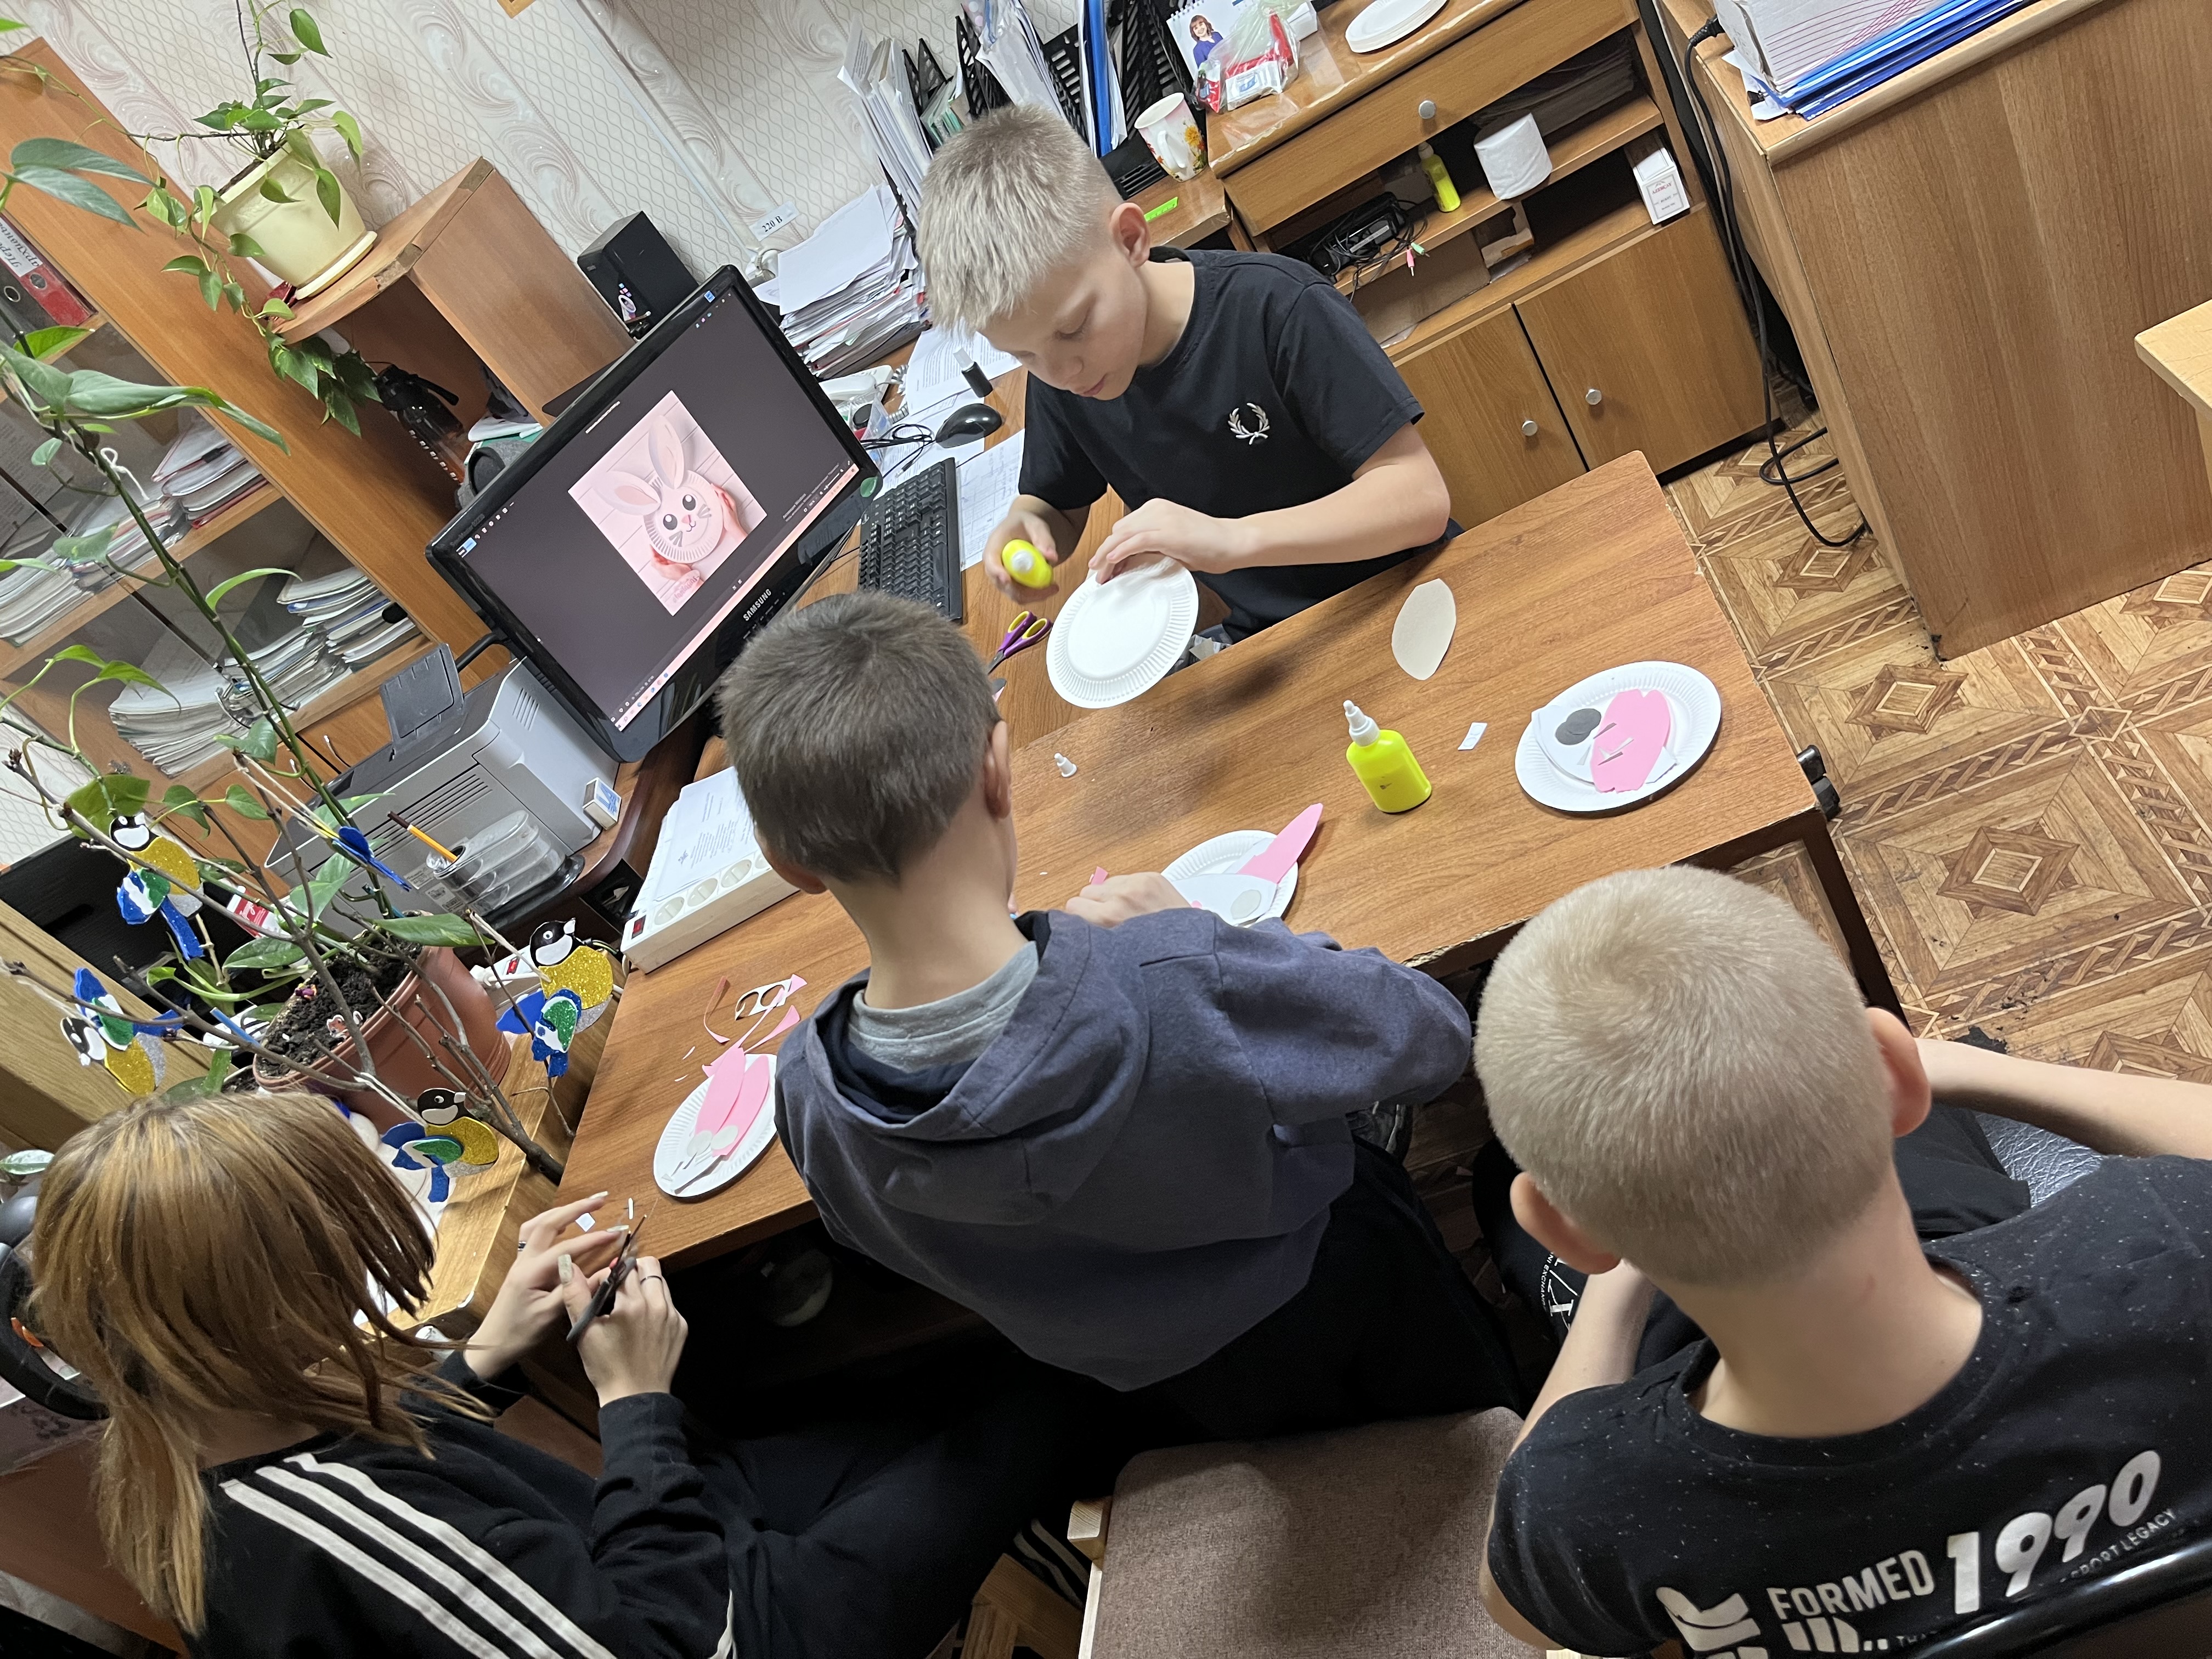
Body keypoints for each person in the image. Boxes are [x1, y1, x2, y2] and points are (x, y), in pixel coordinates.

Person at [719, 590, 1524, 1440]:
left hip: (1160, 1378)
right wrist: (1207, 936)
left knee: (1301, 1451)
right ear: (998, 768)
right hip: (1336, 1274)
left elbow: (870, 1240)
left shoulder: (804, 1092)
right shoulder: (1173, 976)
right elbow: (1431, 1036)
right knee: (1477, 1419)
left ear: (788, 863)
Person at [27, 1091, 1104, 1658]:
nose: (354, 1287)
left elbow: (381, 1471)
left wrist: (487, 1352)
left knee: (908, 1383)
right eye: (334, 1270)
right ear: (247, 1318)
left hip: (631, 1565)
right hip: (721, 1633)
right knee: (1047, 1386)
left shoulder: (187, 1433)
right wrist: (635, 1404)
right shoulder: (333, 1547)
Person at [1469, 866, 2212, 1656]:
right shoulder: (2169, 1249)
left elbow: (1514, 1609)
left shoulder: (1587, 1502)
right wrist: (1972, 1066)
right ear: (1897, 1074)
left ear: (1567, 1228)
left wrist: (1616, 1283)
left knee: (1489, 1181)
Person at [916, 104, 1453, 642]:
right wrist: (1027, 525)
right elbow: (1057, 503)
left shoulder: (1277, 308)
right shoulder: (1062, 373)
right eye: (1022, 356)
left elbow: (1420, 501)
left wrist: (1232, 540)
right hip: (1276, 639)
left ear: (1131, 240)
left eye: (1075, 327)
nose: (1060, 372)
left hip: (1407, 591)